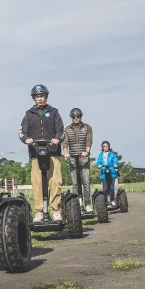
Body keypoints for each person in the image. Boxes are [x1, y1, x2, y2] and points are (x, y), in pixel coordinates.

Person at [19, 85, 65, 222]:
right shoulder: (29, 114)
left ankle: (56, 210)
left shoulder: (53, 112)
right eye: (37, 96)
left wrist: (57, 139)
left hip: (53, 152)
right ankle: (39, 211)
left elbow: (61, 131)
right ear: (34, 98)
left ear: (46, 97)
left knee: (55, 181)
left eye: (42, 96)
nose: (40, 98)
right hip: (36, 153)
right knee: (37, 182)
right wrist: (26, 139)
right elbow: (22, 131)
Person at [63, 108, 93, 213]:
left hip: (83, 158)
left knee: (86, 182)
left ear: (81, 116)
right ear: (71, 118)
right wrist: (66, 153)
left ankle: (88, 204)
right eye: (74, 117)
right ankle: (77, 205)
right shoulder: (67, 129)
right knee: (75, 184)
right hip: (72, 158)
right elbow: (65, 143)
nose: (76, 118)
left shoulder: (87, 127)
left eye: (78, 116)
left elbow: (89, 141)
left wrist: (87, 151)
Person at [96, 141, 119, 206]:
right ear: (102, 147)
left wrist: (115, 166)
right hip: (104, 173)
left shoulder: (112, 154)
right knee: (105, 189)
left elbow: (115, 161)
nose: (105, 147)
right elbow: (98, 162)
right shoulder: (100, 155)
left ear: (109, 146)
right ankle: (106, 201)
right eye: (104, 146)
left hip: (112, 172)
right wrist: (99, 165)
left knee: (112, 188)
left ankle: (112, 200)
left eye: (106, 146)